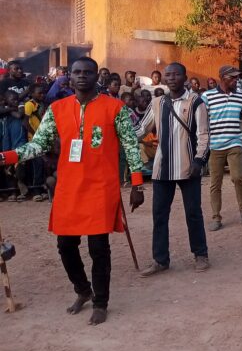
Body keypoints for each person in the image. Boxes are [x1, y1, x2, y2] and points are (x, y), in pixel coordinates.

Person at [0, 57, 145, 325]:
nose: (81, 77)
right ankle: (83, 290)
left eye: (87, 72)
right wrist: (7, 156)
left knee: (98, 247)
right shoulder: (56, 108)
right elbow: (38, 145)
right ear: (70, 77)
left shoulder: (115, 108)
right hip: (68, 187)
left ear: (95, 77)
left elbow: (130, 146)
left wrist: (137, 184)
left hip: (101, 187)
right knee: (65, 245)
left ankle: (101, 302)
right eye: (76, 72)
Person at [136, 63, 211, 276]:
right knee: (159, 215)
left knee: (193, 213)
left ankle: (200, 254)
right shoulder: (158, 102)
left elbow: (204, 134)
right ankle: (160, 260)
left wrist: (199, 160)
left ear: (184, 77)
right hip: (162, 169)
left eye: (175, 74)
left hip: (189, 168)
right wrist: (120, 135)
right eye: (168, 75)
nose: (171, 78)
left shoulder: (196, 102)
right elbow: (142, 129)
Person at [202, 65, 242, 230]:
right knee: (215, 182)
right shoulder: (207, 96)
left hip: (234, 143)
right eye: (233, 78)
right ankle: (216, 217)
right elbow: (201, 120)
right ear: (222, 77)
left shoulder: (240, 96)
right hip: (215, 146)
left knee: (237, 177)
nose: (236, 81)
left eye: (237, 78)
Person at [22, 84, 48, 201]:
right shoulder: (29, 105)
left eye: (43, 93)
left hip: (42, 137)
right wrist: (35, 134)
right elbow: (26, 123)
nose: (42, 95)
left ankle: (41, 188)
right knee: (36, 164)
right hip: (34, 139)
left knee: (42, 165)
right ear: (32, 93)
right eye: (39, 93)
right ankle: (35, 190)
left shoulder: (42, 104)